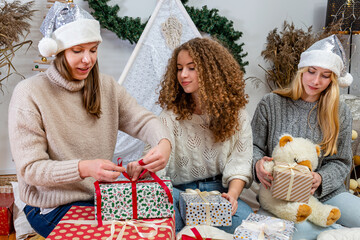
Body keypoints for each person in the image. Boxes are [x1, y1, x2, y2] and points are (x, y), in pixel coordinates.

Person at [8, 2, 171, 237]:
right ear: (58, 51)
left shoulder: (106, 87)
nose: (88, 59)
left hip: (98, 197)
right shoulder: (29, 93)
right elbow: (31, 170)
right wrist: (83, 168)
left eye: (93, 50)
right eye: (78, 51)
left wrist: (163, 142)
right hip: (50, 208)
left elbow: (143, 120)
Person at [252, 34, 360, 240]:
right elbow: (253, 147)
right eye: (311, 72)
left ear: (333, 80)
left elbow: (341, 161)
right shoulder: (271, 104)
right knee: (297, 232)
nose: (316, 81)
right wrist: (257, 164)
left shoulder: (340, 112)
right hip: (281, 196)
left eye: (325, 75)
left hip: (327, 193)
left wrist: (320, 178)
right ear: (302, 70)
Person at [154, 37, 254, 234]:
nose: (183, 75)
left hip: (219, 191)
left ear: (212, 71)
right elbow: (156, 167)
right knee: (171, 226)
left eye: (192, 68)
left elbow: (240, 164)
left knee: (245, 224)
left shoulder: (238, 116)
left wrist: (232, 196)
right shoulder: (169, 117)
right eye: (179, 68)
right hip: (178, 191)